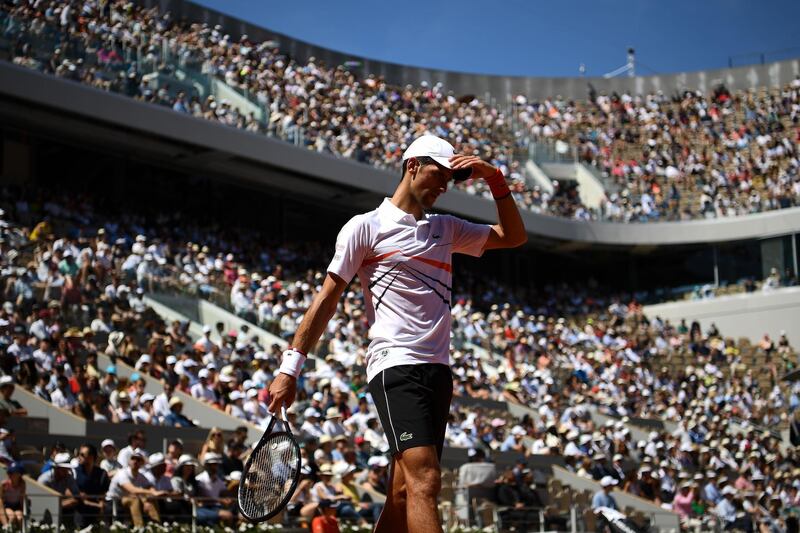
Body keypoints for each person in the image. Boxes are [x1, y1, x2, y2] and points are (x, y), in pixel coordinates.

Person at [269, 134, 526, 533]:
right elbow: (326, 299)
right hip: (396, 367)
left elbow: (514, 237)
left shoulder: (447, 228)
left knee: (404, 492)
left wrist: (495, 179)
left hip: (438, 370)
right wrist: (290, 368)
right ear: (412, 167)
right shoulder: (365, 227)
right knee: (427, 479)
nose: (442, 188)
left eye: (448, 182)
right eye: (438, 176)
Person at [105, 449, 165, 528]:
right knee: (134, 499)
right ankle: (139, 528)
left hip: (126, 501)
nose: (135, 461)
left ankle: (158, 528)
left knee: (150, 501)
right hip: (113, 502)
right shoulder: (122, 473)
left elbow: (149, 486)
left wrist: (151, 495)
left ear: (141, 463)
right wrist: (152, 493)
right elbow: (131, 489)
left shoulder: (140, 476)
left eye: (138, 459)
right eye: (133, 458)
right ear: (129, 461)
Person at [74, 444, 109, 526]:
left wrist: (101, 503)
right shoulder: (75, 472)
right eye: (79, 454)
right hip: (80, 509)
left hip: (97, 511)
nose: (79, 457)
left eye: (82, 455)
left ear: (91, 457)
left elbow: (103, 493)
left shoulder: (102, 473)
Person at [0, 462, 26, 527]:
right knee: (12, 517)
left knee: (20, 518)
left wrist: (24, 510)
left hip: (17, 507)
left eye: (12, 473)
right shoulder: (4, 484)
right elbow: (1, 500)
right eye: (9, 472)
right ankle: (8, 530)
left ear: (19, 474)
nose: (9, 475)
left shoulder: (22, 484)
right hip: (7, 506)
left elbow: (21, 499)